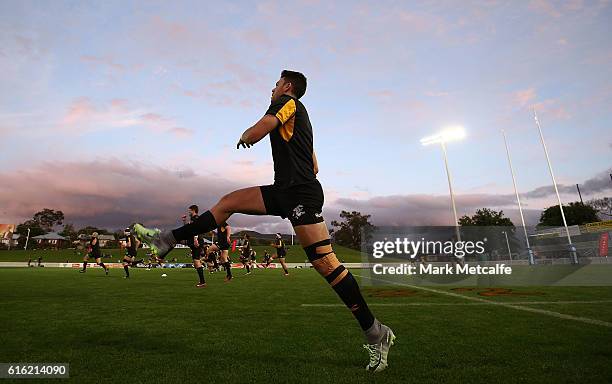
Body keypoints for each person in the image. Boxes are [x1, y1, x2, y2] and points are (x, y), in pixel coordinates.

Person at [131, 70, 394, 372]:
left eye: (277, 84)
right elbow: (315, 164)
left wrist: (246, 136)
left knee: (325, 263)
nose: (273, 89)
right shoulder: (297, 117)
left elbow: (258, 132)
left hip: (299, 194)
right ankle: (168, 239)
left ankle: (376, 334)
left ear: (288, 86)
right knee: (228, 203)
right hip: (286, 191)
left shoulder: (288, 102)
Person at [184, 205, 207, 287]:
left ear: (193, 210)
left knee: (196, 261)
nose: (189, 212)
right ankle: (202, 281)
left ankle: (202, 282)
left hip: (196, 241)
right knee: (196, 261)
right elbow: (189, 229)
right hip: (195, 241)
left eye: (189, 210)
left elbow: (196, 229)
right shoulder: (193, 219)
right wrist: (184, 221)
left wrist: (195, 239)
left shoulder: (196, 218)